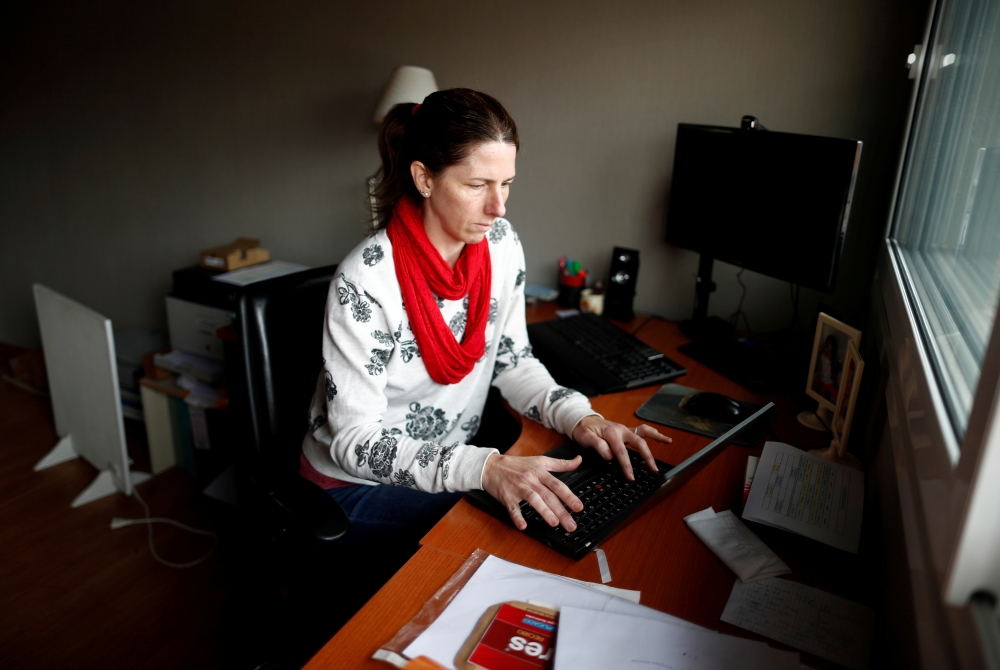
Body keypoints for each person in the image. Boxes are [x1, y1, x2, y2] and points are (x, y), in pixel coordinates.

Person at [299, 88, 672, 556]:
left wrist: (582, 418)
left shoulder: (500, 244)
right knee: (521, 536)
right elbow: (354, 441)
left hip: (452, 465)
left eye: (507, 184)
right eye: (477, 185)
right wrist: (486, 470)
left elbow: (513, 362)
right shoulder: (366, 280)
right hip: (352, 487)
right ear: (424, 178)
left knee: (561, 512)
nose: (499, 207)